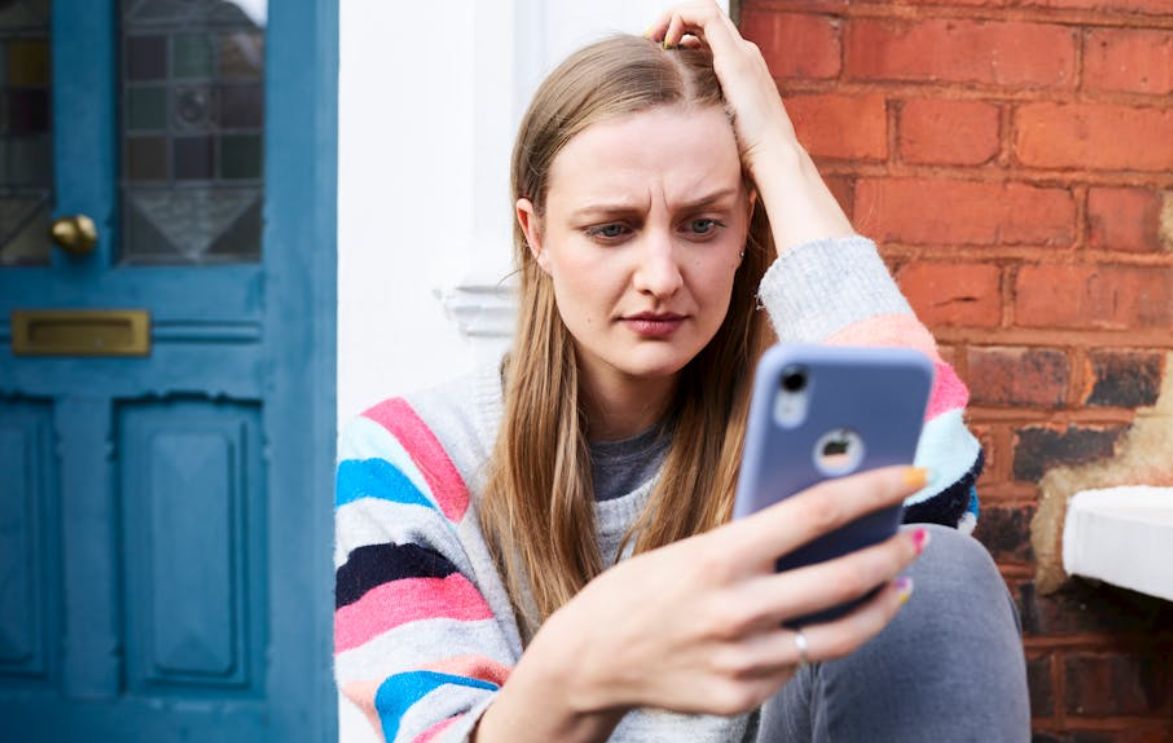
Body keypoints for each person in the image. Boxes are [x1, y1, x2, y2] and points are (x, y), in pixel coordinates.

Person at [333, 2, 1029, 741]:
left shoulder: (798, 444)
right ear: (534, 234)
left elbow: (931, 513)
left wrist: (779, 152)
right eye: (612, 228)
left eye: (703, 224)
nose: (661, 275)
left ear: (745, 228)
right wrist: (583, 663)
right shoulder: (405, 459)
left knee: (937, 568)